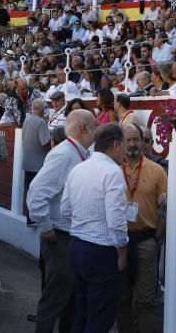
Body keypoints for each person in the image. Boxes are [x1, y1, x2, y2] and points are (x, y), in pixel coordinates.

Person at [27, 109, 98, 333]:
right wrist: (45, 225)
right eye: (94, 125)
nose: (97, 129)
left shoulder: (78, 153)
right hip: (60, 237)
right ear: (85, 128)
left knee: (70, 301)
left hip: (70, 237)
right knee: (55, 300)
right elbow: (37, 192)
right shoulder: (65, 154)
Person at [62, 122, 129, 333]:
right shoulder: (113, 172)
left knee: (81, 312)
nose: (126, 150)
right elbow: (116, 220)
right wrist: (122, 252)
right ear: (116, 145)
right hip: (101, 251)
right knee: (100, 318)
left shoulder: (78, 169)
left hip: (76, 247)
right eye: (125, 144)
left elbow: (64, 209)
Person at [116, 123, 166, 333]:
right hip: (119, 242)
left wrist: (157, 238)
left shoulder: (157, 171)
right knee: (122, 297)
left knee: (146, 300)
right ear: (119, 143)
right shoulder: (112, 169)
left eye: (136, 139)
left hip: (146, 241)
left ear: (142, 141)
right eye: (128, 140)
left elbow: (164, 208)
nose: (133, 144)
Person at [22, 98, 51, 222]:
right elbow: (45, 142)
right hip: (38, 164)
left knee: (28, 190)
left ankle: (29, 217)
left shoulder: (26, 120)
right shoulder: (41, 122)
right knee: (36, 192)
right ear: (43, 110)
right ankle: (33, 218)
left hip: (27, 162)